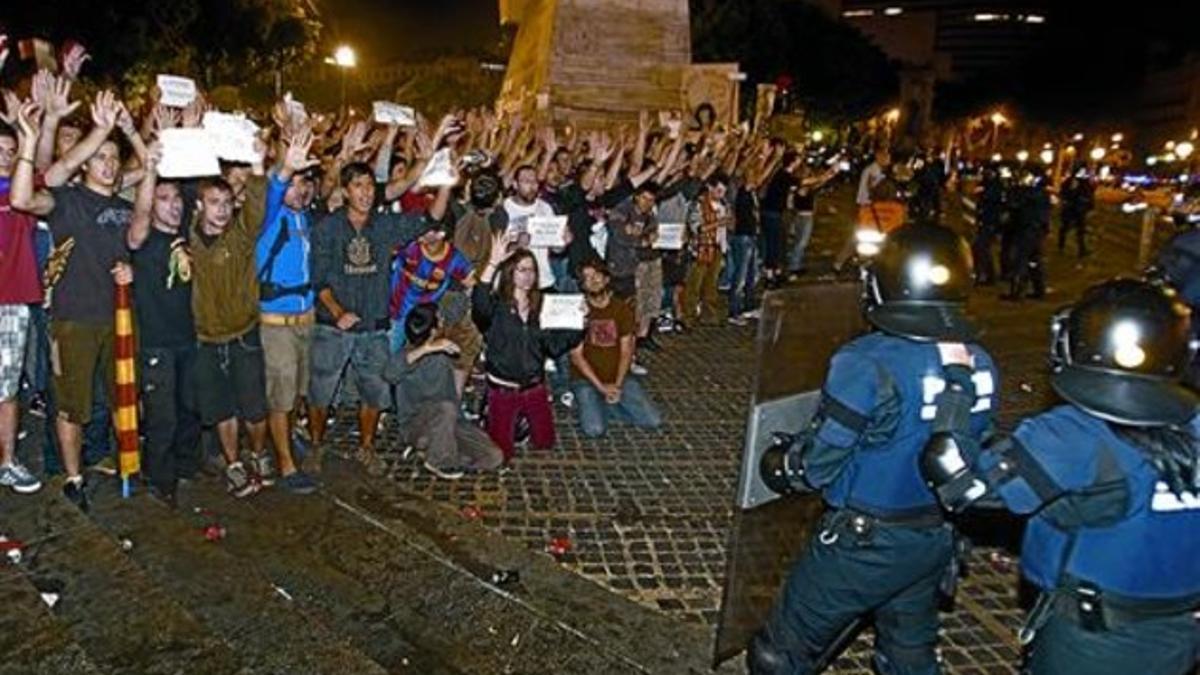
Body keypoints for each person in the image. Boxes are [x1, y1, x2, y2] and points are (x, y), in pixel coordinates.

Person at [749, 223, 998, 674]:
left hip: (866, 542)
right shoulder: (979, 361)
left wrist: (783, 465)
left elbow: (821, 462)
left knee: (777, 656)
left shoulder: (866, 360)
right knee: (906, 656)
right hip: (933, 536)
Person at [922, 278, 1200, 675]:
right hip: (1176, 637)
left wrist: (957, 386)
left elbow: (959, 483)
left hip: (1090, 643)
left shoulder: (1071, 435)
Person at [10, 92, 141, 509]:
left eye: (113, 157)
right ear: (85, 162)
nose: (108, 164)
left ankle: (118, 462)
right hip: (74, 321)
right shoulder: (66, 201)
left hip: (119, 319)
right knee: (72, 405)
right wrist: (31, 140)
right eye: (99, 156)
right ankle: (73, 477)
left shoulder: (122, 203)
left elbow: (138, 238)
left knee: (122, 396)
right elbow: (22, 200)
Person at [307, 161, 448, 474]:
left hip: (374, 325)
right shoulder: (327, 228)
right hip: (333, 327)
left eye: (370, 186)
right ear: (345, 191)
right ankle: (317, 445)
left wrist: (447, 183)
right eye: (358, 186)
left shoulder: (385, 225)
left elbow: (430, 218)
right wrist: (338, 311)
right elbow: (317, 280)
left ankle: (366, 447)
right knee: (321, 389)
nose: (366, 193)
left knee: (374, 390)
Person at [127, 161, 202, 505]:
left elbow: (192, 185)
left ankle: (187, 466)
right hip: (157, 343)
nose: (173, 204)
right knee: (162, 416)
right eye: (163, 198)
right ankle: (160, 478)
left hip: (189, 338)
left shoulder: (185, 230)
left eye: (176, 198)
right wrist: (151, 167)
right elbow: (140, 216)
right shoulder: (142, 239)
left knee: (189, 408)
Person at [254, 129, 322, 494]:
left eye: (306, 183)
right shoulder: (269, 214)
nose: (302, 190)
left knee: (296, 392)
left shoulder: (303, 220)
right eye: (296, 184)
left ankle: (285, 441)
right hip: (275, 323)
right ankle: (285, 465)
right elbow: (274, 188)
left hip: (304, 319)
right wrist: (284, 171)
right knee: (280, 396)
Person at [472, 236, 580, 460]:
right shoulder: (496, 306)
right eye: (522, 270)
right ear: (510, 272)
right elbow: (479, 303)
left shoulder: (541, 307)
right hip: (504, 389)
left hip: (534, 387)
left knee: (545, 442)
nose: (528, 275)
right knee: (502, 453)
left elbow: (553, 347)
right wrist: (492, 263)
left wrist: (578, 325)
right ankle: (492, 416)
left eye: (532, 270)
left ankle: (521, 424)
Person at [386, 303, 503, 479]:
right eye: (439, 320)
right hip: (417, 424)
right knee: (445, 408)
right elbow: (389, 373)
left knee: (493, 457)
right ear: (433, 330)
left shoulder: (445, 351)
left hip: (450, 421)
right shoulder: (408, 354)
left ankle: (438, 449)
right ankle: (439, 460)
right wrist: (426, 348)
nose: (443, 322)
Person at [569, 258, 662, 438]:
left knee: (653, 420)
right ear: (582, 284)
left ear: (606, 279)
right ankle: (595, 401)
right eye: (587, 278)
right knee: (594, 430)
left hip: (617, 377)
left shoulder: (621, 309)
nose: (593, 280)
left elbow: (627, 351)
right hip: (586, 379)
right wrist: (601, 387)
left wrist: (617, 385)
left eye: (597, 275)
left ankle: (602, 404)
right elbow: (576, 357)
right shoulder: (577, 310)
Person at [0, 120, 43, 495]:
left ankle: (8, 461)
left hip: (11, 301)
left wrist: (40, 129)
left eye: (11, 152)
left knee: (7, 388)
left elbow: (50, 168)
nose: (4, 158)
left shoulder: (22, 191)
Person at [684, 173, 730, 327]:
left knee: (711, 284)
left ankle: (709, 314)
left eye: (723, 191)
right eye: (718, 191)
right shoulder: (699, 204)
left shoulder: (723, 205)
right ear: (710, 188)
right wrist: (718, 223)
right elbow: (697, 228)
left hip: (716, 247)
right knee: (694, 284)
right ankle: (689, 316)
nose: (721, 195)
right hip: (701, 248)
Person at [1057, 173, 1094, 258]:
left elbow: (1089, 196)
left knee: (1077, 230)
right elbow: (1088, 196)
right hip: (1074, 210)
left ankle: (1081, 249)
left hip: (1076, 210)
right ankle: (1064, 245)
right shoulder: (1074, 182)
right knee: (1070, 228)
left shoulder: (1081, 182)